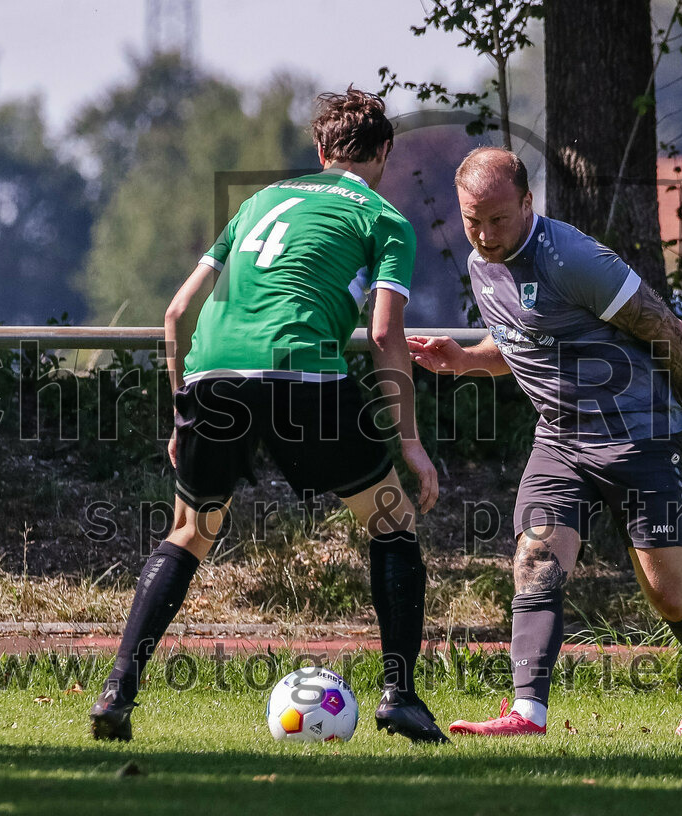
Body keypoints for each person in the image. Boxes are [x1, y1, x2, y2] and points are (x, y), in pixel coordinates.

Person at [90, 88, 448, 744]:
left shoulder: (259, 202)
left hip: (211, 376)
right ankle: (400, 694)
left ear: (319, 152)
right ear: (385, 153)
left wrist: (181, 414)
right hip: (302, 373)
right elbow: (387, 334)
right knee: (392, 522)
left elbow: (176, 314)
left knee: (191, 532)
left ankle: (119, 687)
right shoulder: (383, 219)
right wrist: (411, 443)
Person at [408, 147, 682, 737]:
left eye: (498, 219)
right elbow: (521, 341)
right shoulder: (481, 263)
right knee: (535, 562)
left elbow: (661, 325)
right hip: (559, 442)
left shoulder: (571, 257)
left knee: (669, 595)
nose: (485, 235)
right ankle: (526, 713)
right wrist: (466, 359)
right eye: (473, 221)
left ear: (527, 202)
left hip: (635, 436)